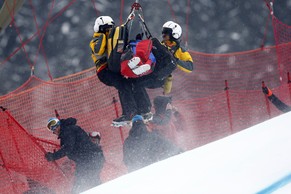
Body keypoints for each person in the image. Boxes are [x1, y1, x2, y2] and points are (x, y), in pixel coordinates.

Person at [89, 16, 152, 125]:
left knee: (133, 82)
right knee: (123, 85)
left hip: (115, 69)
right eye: (105, 28)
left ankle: (144, 109)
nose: (108, 31)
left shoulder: (113, 39)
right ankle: (130, 113)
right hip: (104, 71)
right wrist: (103, 36)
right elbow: (98, 51)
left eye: (110, 28)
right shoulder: (96, 40)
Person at [45, 117, 104, 193]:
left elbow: (68, 148)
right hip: (89, 160)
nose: (54, 129)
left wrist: (53, 156)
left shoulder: (68, 130)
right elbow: (72, 149)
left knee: (82, 182)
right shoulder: (67, 131)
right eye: (51, 128)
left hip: (90, 159)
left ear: (59, 123)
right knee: (89, 182)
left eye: (55, 125)